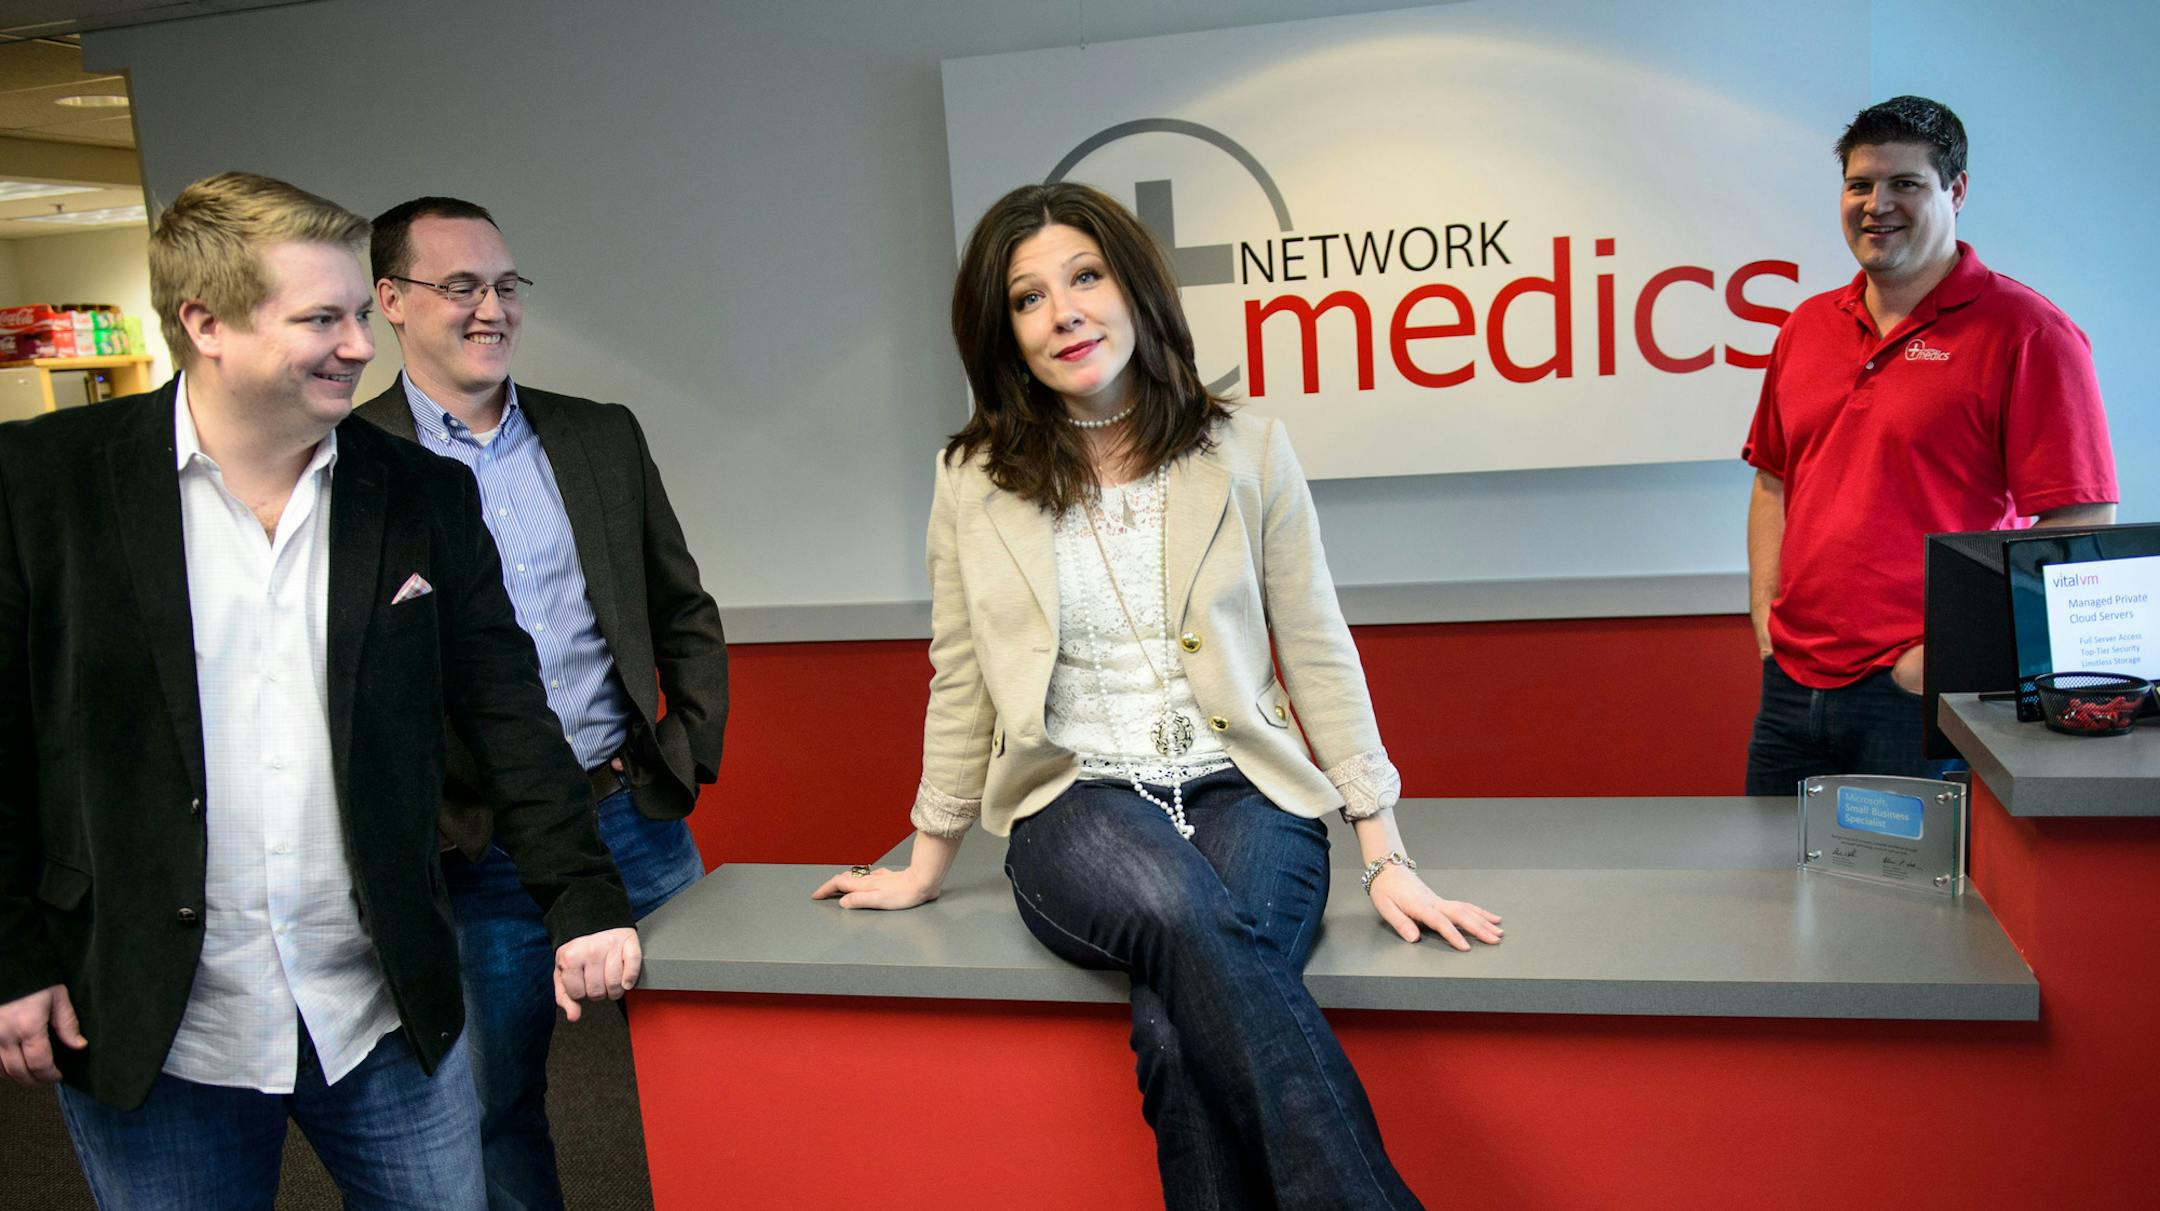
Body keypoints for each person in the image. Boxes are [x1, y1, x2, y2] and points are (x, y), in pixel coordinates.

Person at [812, 182, 1500, 1209]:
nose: (1065, 313)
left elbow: (1316, 644)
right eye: (1029, 298)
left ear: (1134, 288)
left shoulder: (1248, 448)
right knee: (1186, 913)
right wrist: (928, 855)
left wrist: (1383, 850)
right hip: (1077, 800)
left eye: (1085, 277)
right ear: (1004, 333)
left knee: (1177, 1035)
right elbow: (961, 674)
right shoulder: (972, 479)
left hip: (1248, 790)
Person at [0, 172, 641, 1207]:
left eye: (358, 315)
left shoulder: (420, 492)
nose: (358, 345)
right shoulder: (45, 482)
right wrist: (11, 954)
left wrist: (581, 896)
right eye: (321, 318)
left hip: (380, 1008)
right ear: (205, 322)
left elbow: (507, 711)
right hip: (154, 1018)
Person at [356, 196, 728, 1210]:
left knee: (710, 1067)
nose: (492, 309)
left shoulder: (598, 434)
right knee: (495, 1106)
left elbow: (682, 606)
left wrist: (687, 751)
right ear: (391, 299)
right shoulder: (354, 462)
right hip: (476, 852)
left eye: (504, 284)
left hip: (634, 818)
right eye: (459, 286)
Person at [1743, 96, 2117, 795]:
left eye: (1905, 183)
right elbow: (1772, 479)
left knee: (1911, 875)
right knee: (1769, 868)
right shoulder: (1806, 327)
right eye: (1860, 184)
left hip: (1916, 693)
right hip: (1791, 687)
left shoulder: (2028, 332)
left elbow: (2081, 520)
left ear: (1957, 190)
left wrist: (1948, 657)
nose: (1876, 205)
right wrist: (1765, 615)